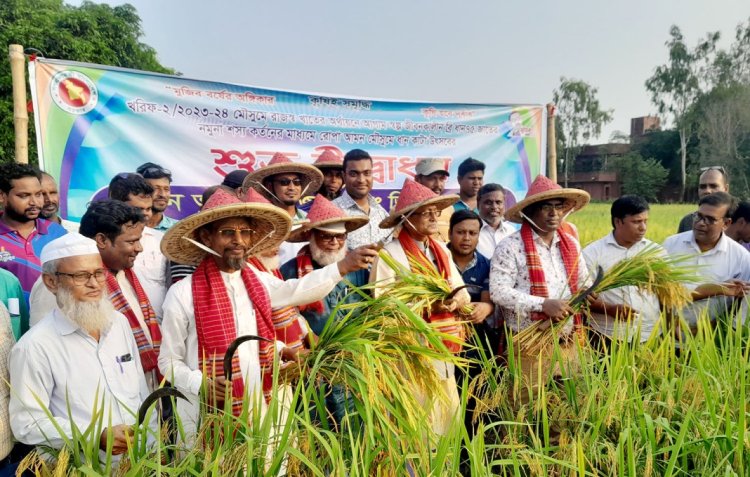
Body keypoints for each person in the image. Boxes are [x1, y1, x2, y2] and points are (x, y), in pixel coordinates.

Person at [157, 188, 377, 438]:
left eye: (245, 232)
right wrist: (200, 384)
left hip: (263, 401)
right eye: (227, 232)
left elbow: (294, 292)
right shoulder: (182, 293)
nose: (238, 240)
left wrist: (280, 349)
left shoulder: (258, 281)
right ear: (206, 238)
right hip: (208, 410)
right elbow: (167, 361)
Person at [9, 233, 152, 462]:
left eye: (98, 273)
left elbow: (141, 394)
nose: (94, 284)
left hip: (137, 463)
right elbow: (27, 423)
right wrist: (95, 435)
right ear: (51, 282)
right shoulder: (34, 347)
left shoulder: (118, 323)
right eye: (81, 276)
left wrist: (152, 446)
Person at [370, 178, 470, 435]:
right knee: (418, 424)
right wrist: (427, 306)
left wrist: (456, 300)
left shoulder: (441, 251)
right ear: (407, 218)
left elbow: (462, 292)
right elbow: (382, 305)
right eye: (425, 213)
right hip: (412, 352)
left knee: (448, 421)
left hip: (446, 347)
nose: (433, 217)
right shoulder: (390, 254)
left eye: (435, 211)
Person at [489, 175, 590, 393]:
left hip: (568, 341)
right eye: (546, 207)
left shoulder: (570, 244)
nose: (554, 213)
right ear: (531, 211)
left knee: (565, 410)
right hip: (529, 345)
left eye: (558, 206)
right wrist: (543, 304)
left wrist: (588, 292)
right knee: (525, 409)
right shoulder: (510, 247)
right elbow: (498, 291)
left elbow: (584, 281)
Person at [663, 192, 750, 335]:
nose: (700, 223)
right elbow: (657, 291)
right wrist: (670, 324)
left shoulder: (741, 258)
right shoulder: (671, 244)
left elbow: (742, 306)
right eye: (698, 216)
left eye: (710, 219)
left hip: (709, 340)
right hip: (663, 333)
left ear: (726, 223)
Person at [582, 196, 663, 345]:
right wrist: (609, 309)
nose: (643, 227)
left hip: (649, 334)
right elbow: (583, 296)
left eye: (645, 221)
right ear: (618, 222)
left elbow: (666, 294)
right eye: (636, 222)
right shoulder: (592, 254)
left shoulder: (656, 252)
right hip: (607, 335)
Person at [0, 164, 67, 310]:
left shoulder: (57, 233)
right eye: (24, 196)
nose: (34, 202)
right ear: (2, 196)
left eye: (38, 194)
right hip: (9, 326)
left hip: (53, 323)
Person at [243, 152, 324, 265]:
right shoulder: (262, 223)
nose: (292, 188)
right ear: (270, 187)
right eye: (284, 182)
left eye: (297, 182)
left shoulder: (310, 219)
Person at [108, 173, 169, 319]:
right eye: (137, 209)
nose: (144, 215)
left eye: (148, 209)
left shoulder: (161, 241)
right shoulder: (97, 244)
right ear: (116, 204)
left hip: (155, 331)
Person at [333, 149, 393, 249]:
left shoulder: (381, 212)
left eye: (367, 173)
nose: (361, 180)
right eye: (354, 174)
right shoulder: (332, 211)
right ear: (344, 176)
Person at [676, 166, 729, 233]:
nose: (707, 191)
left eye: (713, 186)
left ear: (726, 189)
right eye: (702, 187)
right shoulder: (688, 222)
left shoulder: (739, 221)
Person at [415, 157, 452, 240]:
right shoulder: (404, 211)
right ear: (418, 180)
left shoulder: (449, 208)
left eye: (442, 179)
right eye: (432, 178)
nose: (438, 185)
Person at [476, 183, 515, 259]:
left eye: (498, 202)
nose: (494, 207)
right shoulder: (472, 232)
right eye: (488, 203)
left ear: (504, 204)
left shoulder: (511, 232)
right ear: (478, 204)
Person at [136, 162, 178, 232]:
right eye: (156, 189)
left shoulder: (179, 229)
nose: (163, 195)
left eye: (166, 189)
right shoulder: (125, 228)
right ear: (140, 191)